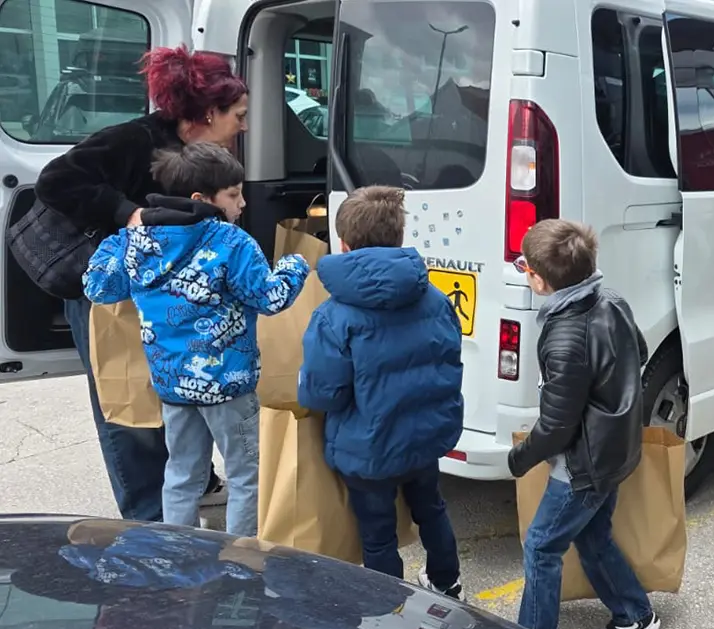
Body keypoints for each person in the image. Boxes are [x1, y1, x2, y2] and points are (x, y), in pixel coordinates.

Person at [35, 46, 249, 522]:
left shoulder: (195, 153)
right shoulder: (133, 140)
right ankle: (148, 520)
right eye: (239, 115)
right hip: (107, 292)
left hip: (154, 295)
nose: (245, 125)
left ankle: (186, 483)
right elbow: (55, 181)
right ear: (209, 113)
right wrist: (125, 213)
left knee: (169, 390)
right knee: (126, 401)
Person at [82, 143, 310, 536]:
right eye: (234, 195)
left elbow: (98, 287)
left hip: (171, 384)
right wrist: (294, 266)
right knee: (246, 474)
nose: (242, 203)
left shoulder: (138, 242)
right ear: (201, 200)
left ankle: (179, 554)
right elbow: (270, 297)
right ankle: (238, 561)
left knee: (182, 473)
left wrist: (118, 239)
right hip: (228, 386)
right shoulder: (231, 242)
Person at [297, 186, 464, 599]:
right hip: (425, 437)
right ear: (400, 238)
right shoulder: (437, 299)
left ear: (344, 243)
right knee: (432, 510)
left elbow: (323, 395)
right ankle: (448, 582)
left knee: (377, 535)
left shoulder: (333, 316)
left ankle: (391, 605)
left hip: (367, 448)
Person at [508, 219, 660, 629]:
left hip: (583, 464)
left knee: (541, 547)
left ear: (539, 278)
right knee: (593, 536)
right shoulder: (610, 299)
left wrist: (520, 459)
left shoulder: (565, 337)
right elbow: (640, 352)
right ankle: (634, 614)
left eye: (524, 267)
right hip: (615, 447)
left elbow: (557, 428)